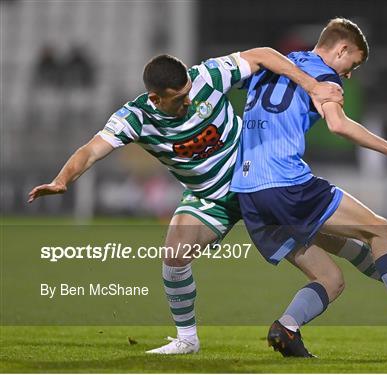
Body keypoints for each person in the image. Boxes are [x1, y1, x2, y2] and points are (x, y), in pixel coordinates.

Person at [27, 48, 342, 355]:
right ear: (156, 98)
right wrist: (62, 180)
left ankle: (383, 266)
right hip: (210, 200)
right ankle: (187, 339)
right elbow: (91, 150)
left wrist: (310, 84)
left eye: (189, 93)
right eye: (178, 99)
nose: (188, 101)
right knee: (174, 254)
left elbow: (263, 55)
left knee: (337, 245)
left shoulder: (207, 75)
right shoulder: (136, 117)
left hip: (256, 184)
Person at [231, 18, 387, 357]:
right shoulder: (323, 75)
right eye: (352, 63)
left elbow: (244, 71)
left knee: (331, 278)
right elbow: (338, 124)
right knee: (379, 229)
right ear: (341, 48)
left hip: (250, 194)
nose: (349, 74)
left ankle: (286, 328)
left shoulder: (275, 64)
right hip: (285, 183)